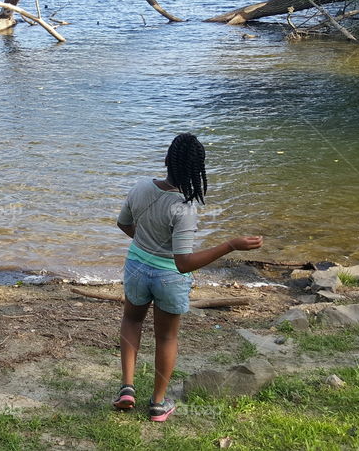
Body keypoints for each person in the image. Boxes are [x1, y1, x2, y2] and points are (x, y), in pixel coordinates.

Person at [113, 133, 263, 421]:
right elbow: (183, 263)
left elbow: (123, 223)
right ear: (197, 172)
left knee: (132, 320)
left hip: (136, 268)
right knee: (166, 337)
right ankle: (157, 403)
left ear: (167, 160)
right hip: (169, 277)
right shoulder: (184, 207)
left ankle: (127, 389)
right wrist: (230, 245)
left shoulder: (141, 186)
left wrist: (145, 244)